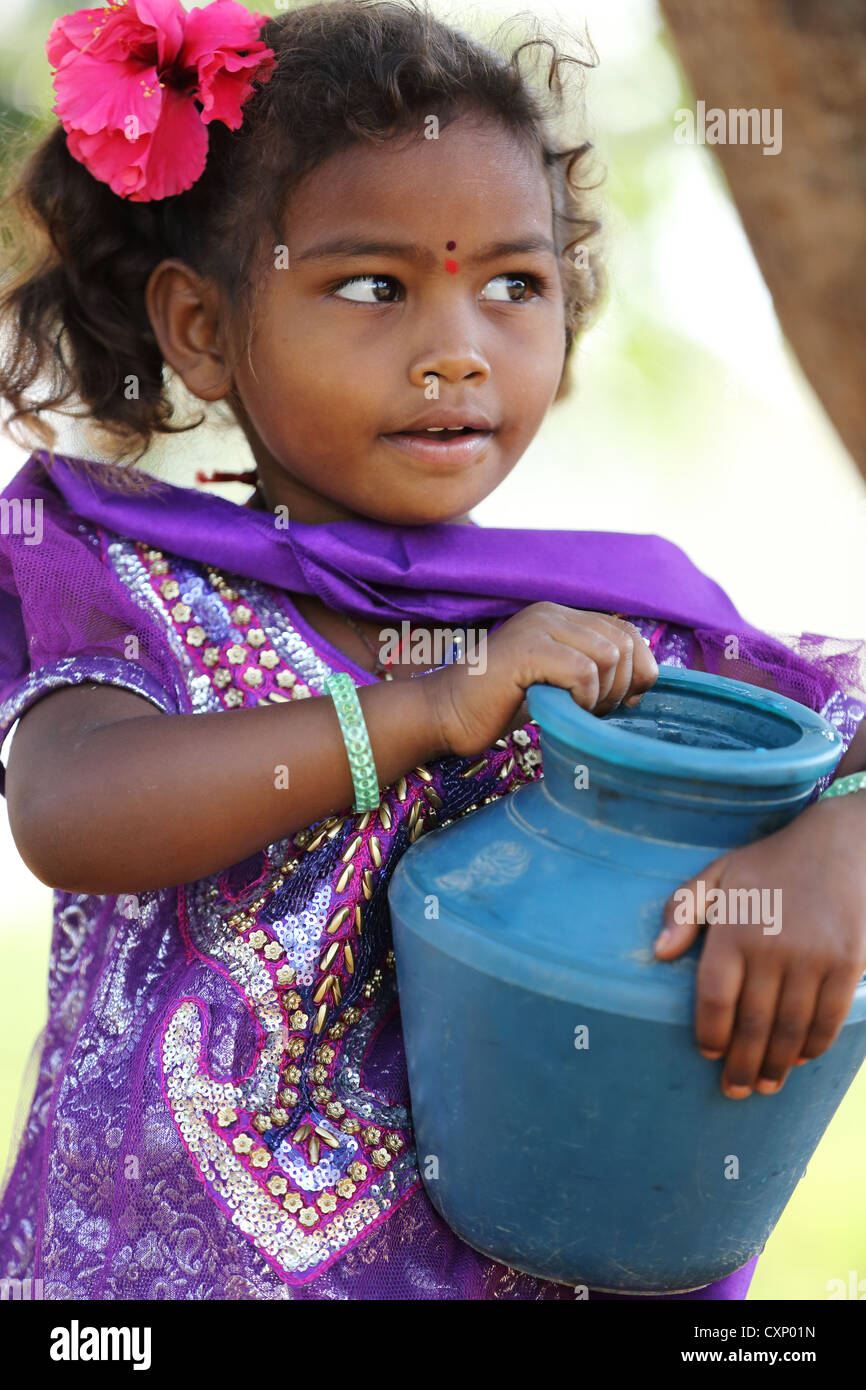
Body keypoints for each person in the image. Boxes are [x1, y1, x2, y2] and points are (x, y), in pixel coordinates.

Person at [0, 0, 864, 1301]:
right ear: (201, 325)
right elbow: (72, 811)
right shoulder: (137, 581)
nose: (457, 349)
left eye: (513, 284)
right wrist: (425, 710)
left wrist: (835, 838)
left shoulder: (616, 624)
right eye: (372, 286)